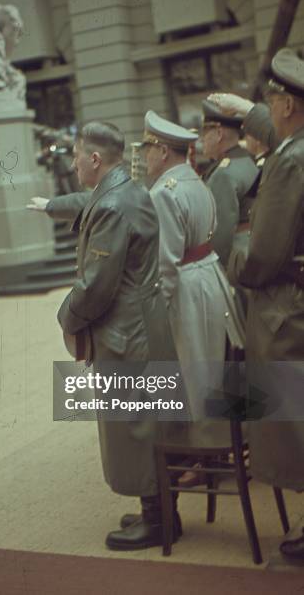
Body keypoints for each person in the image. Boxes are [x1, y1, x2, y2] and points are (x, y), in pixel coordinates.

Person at [28, 121, 178, 551]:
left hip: (125, 330)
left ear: (95, 159)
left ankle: (158, 521)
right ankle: (161, 510)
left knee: (133, 424)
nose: (72, 162)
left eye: (76, 155)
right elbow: (84, 203)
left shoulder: (113, 204)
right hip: (141, 323)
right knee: (144, 418)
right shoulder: (124, 191)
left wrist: (66, 316)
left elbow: (96, 285)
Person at [209, 47, 304, 560]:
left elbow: (265, 253)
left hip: (287, 307)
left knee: (294, 420)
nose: (270, 107)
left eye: (272, 98)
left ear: (287, 104)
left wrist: (235, 264)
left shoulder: (291, 159)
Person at [139, 111, 244, 487]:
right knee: (213, 367)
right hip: (209, 279)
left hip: (186, 285)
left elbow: (165, 265)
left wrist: (155, 317)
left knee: (193, 370)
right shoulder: (198, 181)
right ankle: (218, 448)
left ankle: (204, 457)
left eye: (149, 148)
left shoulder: (163, 193)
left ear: (164, 152)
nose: (145, 156)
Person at [200, 100, 259, 267]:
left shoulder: (223, 174)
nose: (202, 138)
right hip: (254, 249)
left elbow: (220, 235)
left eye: (205, 131)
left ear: (219, 133)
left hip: (237, 260)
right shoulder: (248, 161)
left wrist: (218, 270)